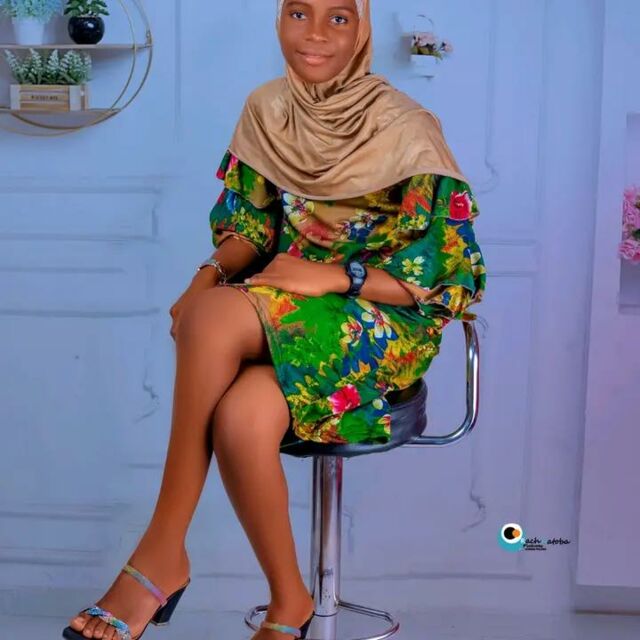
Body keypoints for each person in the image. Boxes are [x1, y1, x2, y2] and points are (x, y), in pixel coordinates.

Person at [62, 1, 486, 639]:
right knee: (240, 416)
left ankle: (160, 553)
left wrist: (336, 276)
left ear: (363, 30)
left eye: (339, 18)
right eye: (298, 12)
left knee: (213, 319)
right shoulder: (267, 110)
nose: (314, 34)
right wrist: (206, 273)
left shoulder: (407, 126)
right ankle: (290, 602)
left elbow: (451, 274)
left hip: (380, 318)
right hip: (283, 306)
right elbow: (251, 229)